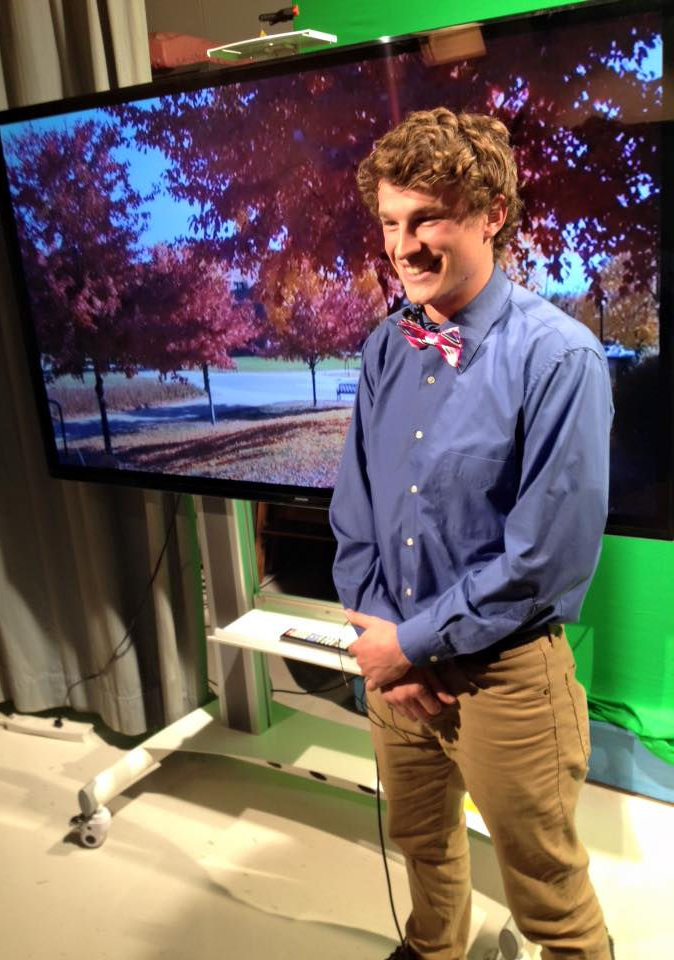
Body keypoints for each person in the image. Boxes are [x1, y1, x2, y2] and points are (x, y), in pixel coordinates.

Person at [329, 108, 614, 960]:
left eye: (427, 220)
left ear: (492, 213)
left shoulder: (561, 358)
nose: (403, 246)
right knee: (423, 847)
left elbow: (544, 560)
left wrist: (409, 645)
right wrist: (384, 640)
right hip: (395, 666)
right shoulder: (386, 347)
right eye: (390, 223)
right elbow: (355, 510)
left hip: (506, 679)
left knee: (548, 895)